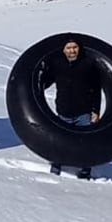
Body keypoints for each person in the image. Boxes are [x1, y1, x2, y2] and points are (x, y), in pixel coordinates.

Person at [40, 38, 103, 179]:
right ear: (63, 50)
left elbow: (96, 89)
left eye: (74, 47)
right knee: (60, 140)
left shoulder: (88, 64)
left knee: (85, 142)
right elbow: (45, 82)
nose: (72, 51)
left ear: (79, 48)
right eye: (68, 48)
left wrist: (96, 111)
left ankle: (85, 169)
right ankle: (56, 166)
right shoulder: (58, 64)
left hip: (84, 111)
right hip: (64, 110)